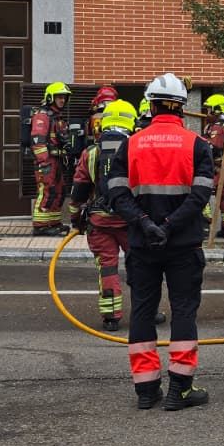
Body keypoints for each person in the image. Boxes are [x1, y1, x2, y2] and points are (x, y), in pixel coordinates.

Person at [105, 73, 214, 411]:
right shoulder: (197, 145)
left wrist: (144, 223)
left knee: (142, 310)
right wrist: (169, 225)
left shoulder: (131, 143)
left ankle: (146, 389)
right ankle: (179, 389)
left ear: (150, 105)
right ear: (182, 107)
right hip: (183, 243)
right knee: (183, 311)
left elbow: (116, 193)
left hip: (142, 243)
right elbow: (200, 195)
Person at [67, 98, 136, 331]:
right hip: (131, 222)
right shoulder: (137, 150)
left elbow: (79, 190)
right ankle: (148, 311)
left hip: (99, 222)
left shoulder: (91, 153)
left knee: (107, 267)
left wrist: (76, 220)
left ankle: (111, 317)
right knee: (141, 266)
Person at [29, 82, 71, 235]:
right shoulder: (42, 115)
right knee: (47, 190)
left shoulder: (56, 117)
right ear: (50, 97)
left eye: (64, 98)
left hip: (57, 160)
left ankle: (53, 223)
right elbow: (37, 140)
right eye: (59, 97)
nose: (62, 100)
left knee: (58, 191)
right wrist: (44, 161)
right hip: (47, 161)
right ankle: (40, 226)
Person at [200, 93, 224, 239]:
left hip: (219, 166)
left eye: (209, 109)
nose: (206, 112)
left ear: (216, 110)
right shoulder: (213, 126)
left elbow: (214, 146)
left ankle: (206, 223)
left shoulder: (218, 127)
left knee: (202, 192)